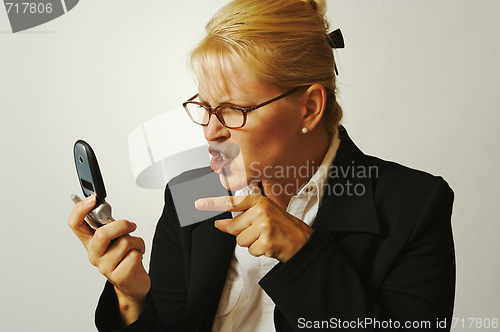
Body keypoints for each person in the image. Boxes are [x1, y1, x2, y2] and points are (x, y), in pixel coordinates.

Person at [68, 0, 456, 331]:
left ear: (310, 107)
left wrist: (303, 252)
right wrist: (132, 295)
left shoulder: (415, 205)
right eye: (205, 107)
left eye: (234, 110)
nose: (211, 131)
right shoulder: (190, 194)